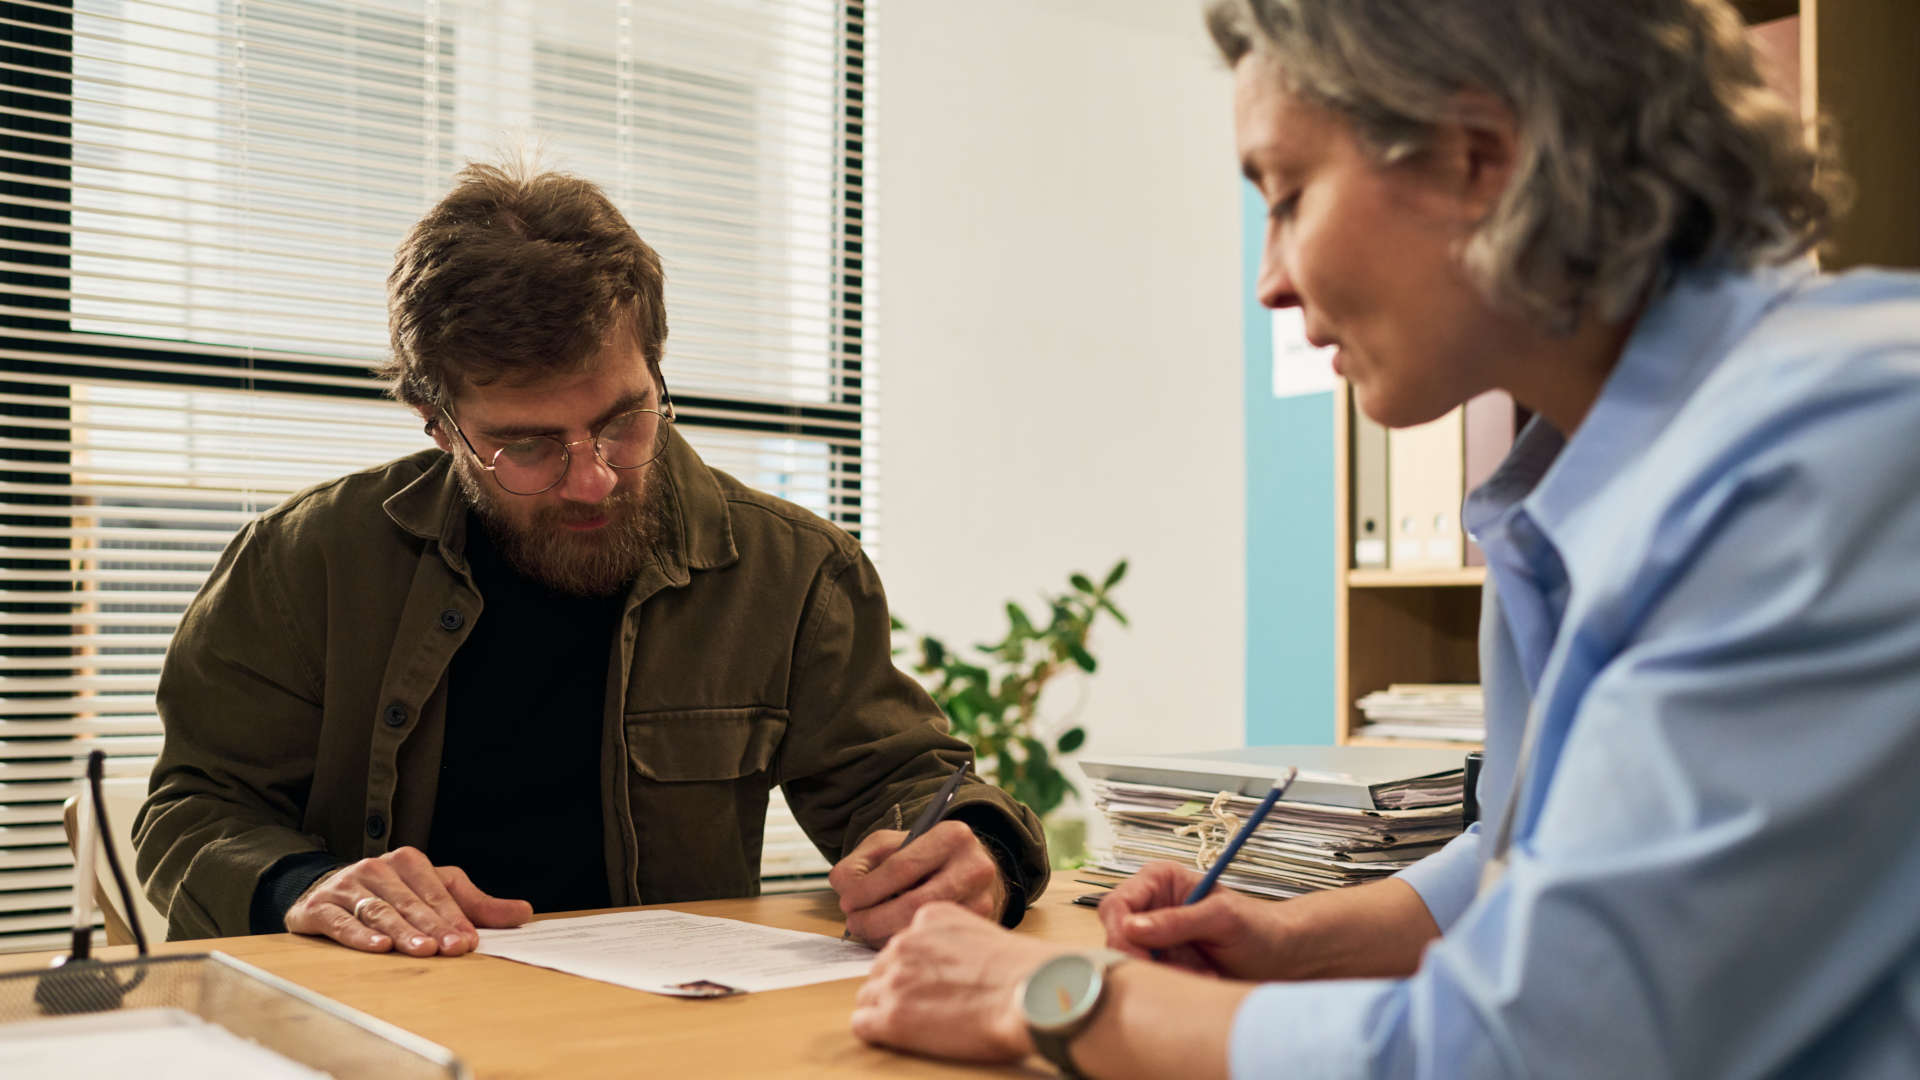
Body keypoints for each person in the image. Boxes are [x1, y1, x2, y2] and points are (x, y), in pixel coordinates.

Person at [851, 0, 1920, 1075]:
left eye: (1289, 194)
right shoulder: (1567, 493)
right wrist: (1301, 942)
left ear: (1479, 159)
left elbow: (1534, 1050)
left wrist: (1058, 997)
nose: (1270, 279)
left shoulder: (1835, 453)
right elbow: (1555, 861)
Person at [133, 163, 1048, 956]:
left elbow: (902, 779)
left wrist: (979, 849)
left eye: (624, 420)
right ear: (439, 425)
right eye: (528, 445)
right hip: (381, 1022)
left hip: (653, 1035)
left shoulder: (790, 568)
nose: (593, 480)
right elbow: (191, 810)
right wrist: (303, 883)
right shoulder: (309, 561)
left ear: (657, 368)